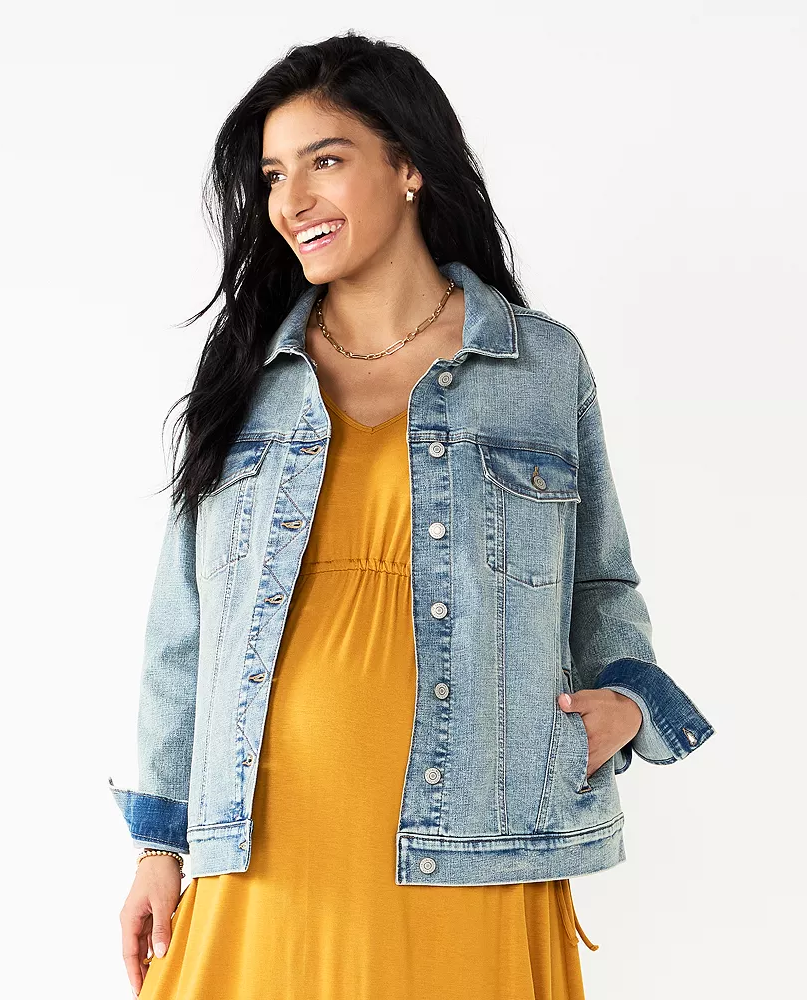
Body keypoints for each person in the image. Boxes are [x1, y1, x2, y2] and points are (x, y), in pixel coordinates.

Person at [110, 30, 714, 1000]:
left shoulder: (538, 365)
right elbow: (183, 628)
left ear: (408, 166)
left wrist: (629, 700)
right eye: (274, 175)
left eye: (325, 161)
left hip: (477, 847)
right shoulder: (245, 378)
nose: (291, 201)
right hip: (262, 858)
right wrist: (158, 845)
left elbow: (600, 579)